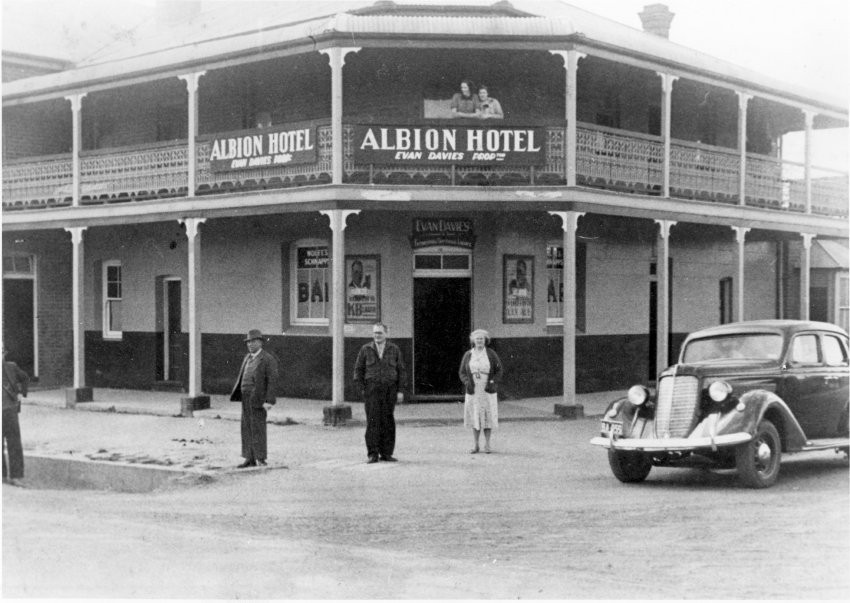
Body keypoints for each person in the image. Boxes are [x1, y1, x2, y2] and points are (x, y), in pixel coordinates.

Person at [353, 323, 407, 463]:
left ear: (386, 334)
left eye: (380, 333)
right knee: (373, 421)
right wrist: (363, 389)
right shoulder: (366, 349)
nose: (377, 335)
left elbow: (401, 371)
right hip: (372, 390)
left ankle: (387, 453)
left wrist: (400, 391)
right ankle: (372, 454)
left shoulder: (394, 349)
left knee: (388, 421)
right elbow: (358, 370)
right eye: (375, 333)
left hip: (390, 389)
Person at [230, 329, 279, 468]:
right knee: (246, 427)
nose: (250, 344)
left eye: (253, 341)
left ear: (260, 342)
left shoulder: (268, 359)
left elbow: (272, 380)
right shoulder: (247, 358)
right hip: (246, 397)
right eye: (248, 342)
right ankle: (249, 457)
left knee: (258, 427)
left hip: (258, 397)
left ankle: (260, 458)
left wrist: (269, 400)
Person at [459, 330, 503, 454]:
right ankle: (476, 445)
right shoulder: (468, 354)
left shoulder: (491, 354)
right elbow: (462, 372)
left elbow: (499, 370)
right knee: (475, 416)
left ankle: (487, 445)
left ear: (485, 341)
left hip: (487, 388)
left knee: (487, 416)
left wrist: (493, 382)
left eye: (482, 339)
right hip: (473, 389)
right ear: (473, 340)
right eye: (477, 339)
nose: (479, 341)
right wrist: (467, 383)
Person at [3, 348, 29, 487]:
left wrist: (21, 393)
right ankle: (2, 476)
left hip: (9, 411)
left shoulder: (11, 367)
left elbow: (24, 378)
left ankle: (16, 476)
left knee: (14, 443)